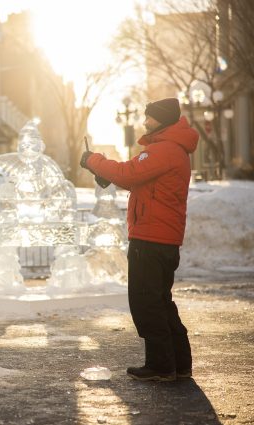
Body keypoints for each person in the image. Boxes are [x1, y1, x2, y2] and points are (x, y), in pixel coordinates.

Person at [80, 97, 199, 381]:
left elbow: (129, 171)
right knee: (161, 301)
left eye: (150, 118)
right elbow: (134, 179)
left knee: (146, 302)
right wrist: (104, 174)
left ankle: (160, 365)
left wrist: (93, 160)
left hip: (151, 237)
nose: (144, 122)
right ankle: (179, 363)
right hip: (162, 236)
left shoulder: (164, 149)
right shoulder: (171, 149)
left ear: (163, 119)